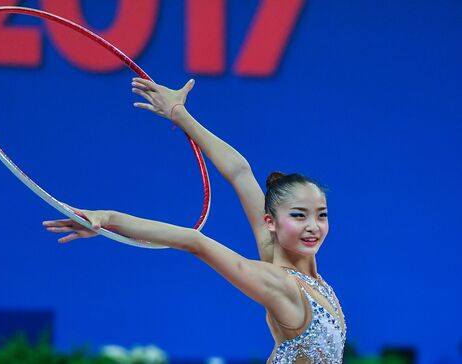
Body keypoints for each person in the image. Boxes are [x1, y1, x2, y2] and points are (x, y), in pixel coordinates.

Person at [43, 78, 346, 363]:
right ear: (271, 222)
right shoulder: (280, 285)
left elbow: (240, 172)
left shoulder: (303, 276)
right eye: (299, 215)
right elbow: (195, 242)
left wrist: (179, 114)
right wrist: (108, 218)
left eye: (321, 215)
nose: (313, 226)